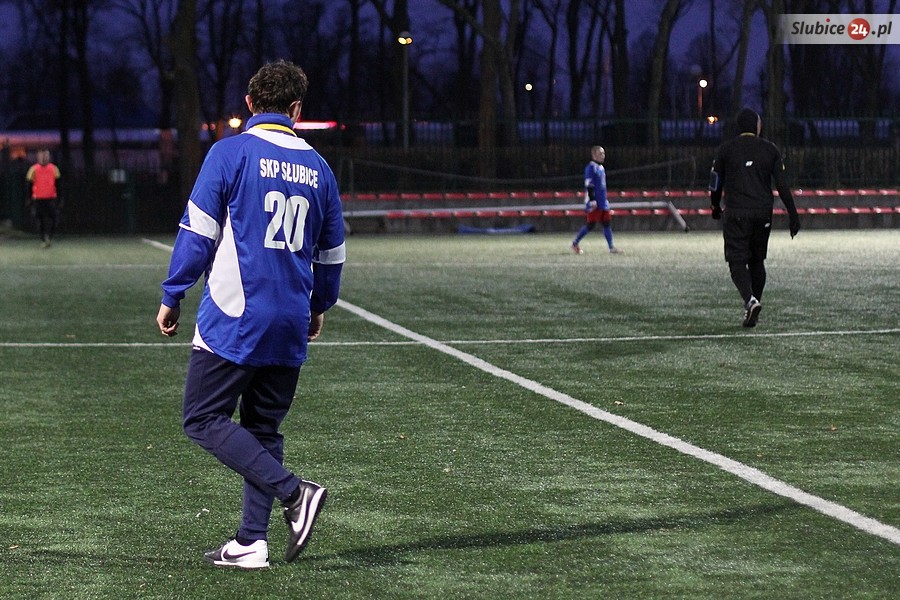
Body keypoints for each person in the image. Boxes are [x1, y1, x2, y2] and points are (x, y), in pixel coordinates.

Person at [156, 60, 345, 570]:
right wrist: (319, 307)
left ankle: (295, 493)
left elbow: (199, 230)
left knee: (201, 417)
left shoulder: (230, 152)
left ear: (249, 104)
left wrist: (173, 293)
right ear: (296, 109)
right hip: (290, 317)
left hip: (237, 314)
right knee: (263, 429)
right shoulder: (321, 169)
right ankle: (251, 542)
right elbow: (332, 254)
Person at [709, 107, 800, 328]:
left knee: (737, 261)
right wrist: (793, 214)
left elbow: (715, 182)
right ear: (757, 126)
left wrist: (715, 205)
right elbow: (782, 185)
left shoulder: (726, 150)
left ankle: (750, 301)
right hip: (762, 213)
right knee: (757, 261)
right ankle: (754, 306)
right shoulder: (770, 149)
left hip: (736, 213)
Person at [572, 145, 622, 255]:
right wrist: (592, 200)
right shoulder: (591, 167)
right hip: (594, 201)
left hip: (603, 201)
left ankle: (611, 248)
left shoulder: (601, 168)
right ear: (594, 155)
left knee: (606, 223)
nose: (603, 156)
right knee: (591, 225)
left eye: (603, 153)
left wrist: (604, 199)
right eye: (600, 153)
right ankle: (575, 243)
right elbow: (589, 184)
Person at [25, 149, 61, 248]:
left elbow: (59, 185)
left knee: (54, 218)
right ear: (38, 157)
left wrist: (60, 198)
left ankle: (49, 236)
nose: (44, 158)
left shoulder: (54, 168)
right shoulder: (33, 169)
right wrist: (29, 198)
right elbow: (28, 186)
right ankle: (43, 238)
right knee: (40, 220)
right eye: (42, 155)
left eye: (46, 155)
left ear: (49, 157)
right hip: (38, 199)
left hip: (51, 198)